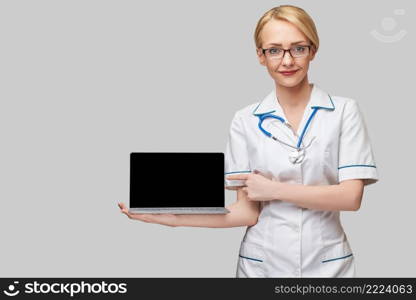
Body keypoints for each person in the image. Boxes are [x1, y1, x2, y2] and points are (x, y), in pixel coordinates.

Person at [118, 5, 379, 277]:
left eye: (298, 48)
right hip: (261, 265)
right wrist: (173, 219)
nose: (287, 61)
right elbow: (246, 213)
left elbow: (350, 197)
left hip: (327, 264)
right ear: (260, 56)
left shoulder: (344, 111)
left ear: (313, 50)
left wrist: (274, 190)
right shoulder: (244, 120)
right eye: (274, 50)